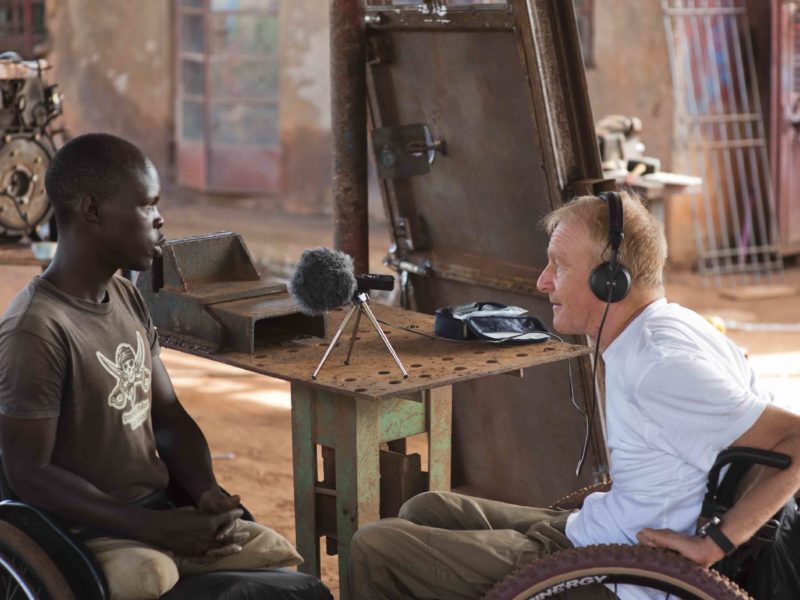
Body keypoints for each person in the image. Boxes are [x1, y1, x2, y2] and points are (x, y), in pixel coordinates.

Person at [347, 191, 800, 600]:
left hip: (617, 576)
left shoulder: (662, 368)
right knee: (425, 508)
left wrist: (713, 546)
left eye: (559, 267)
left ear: (611, 281)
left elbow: (795, 441)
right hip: (602, 530)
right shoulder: (666, 327)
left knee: (377, 547)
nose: (543, 282)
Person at [0, 133, 305, 600]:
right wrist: (151, 527)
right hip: (83, 535)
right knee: (151, 578)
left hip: (155, 513)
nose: (160, 218)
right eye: (146, 205)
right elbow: (28, 472)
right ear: (93, 210)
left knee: (283, 562)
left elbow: (169, 418)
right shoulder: (36, 328)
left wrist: (204, 490)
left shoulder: (125, 296)